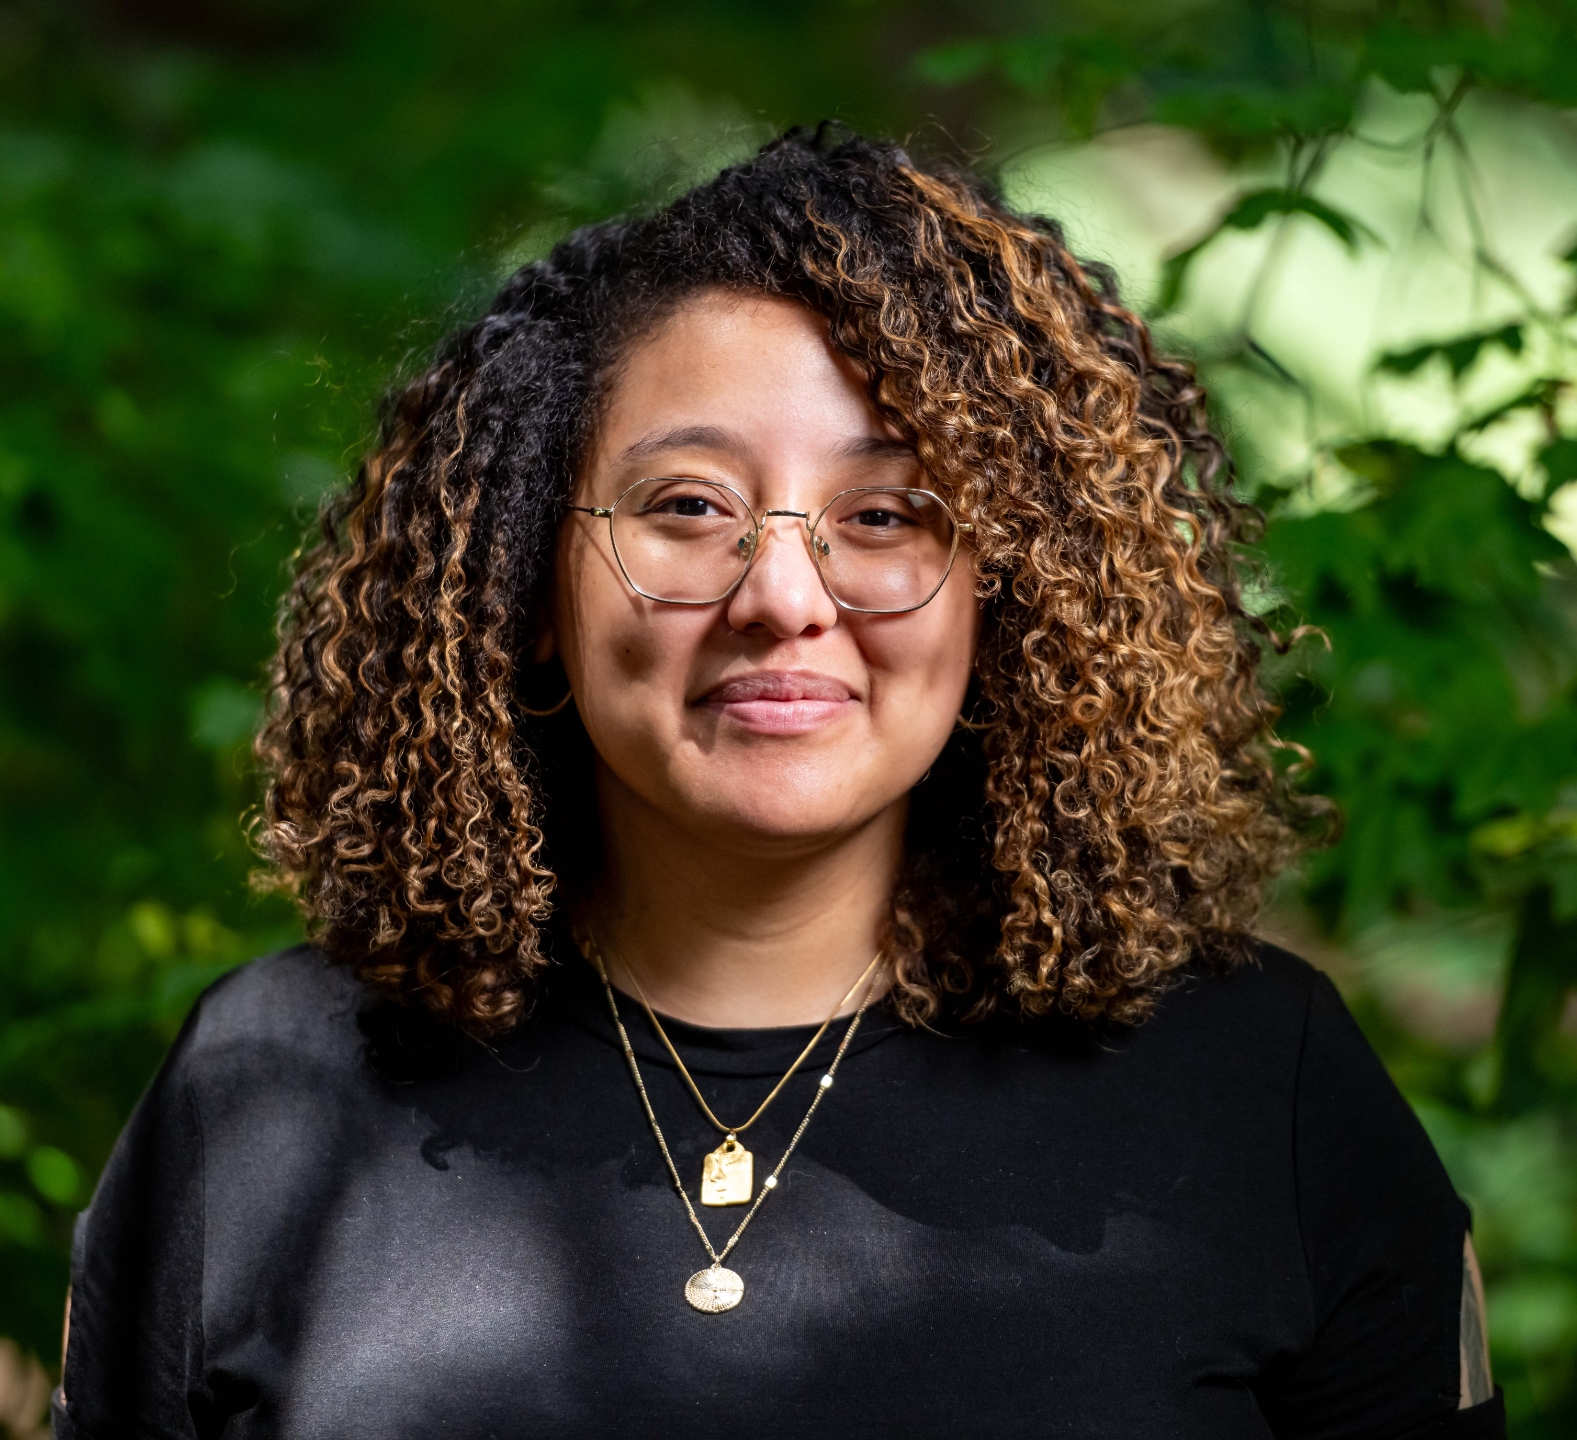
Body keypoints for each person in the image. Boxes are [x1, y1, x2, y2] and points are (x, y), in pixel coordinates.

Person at [54, 125, 1503, 1439]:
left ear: (1008, 597)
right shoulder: (268, 1092)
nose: (783, 596)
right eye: (688, 507)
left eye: (885, 513)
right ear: (526, 581)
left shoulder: (1257, 1091)